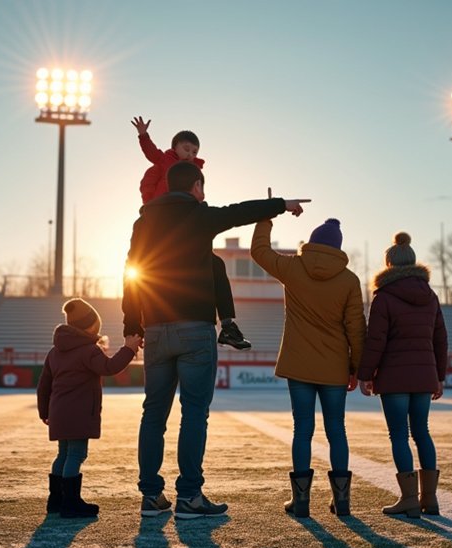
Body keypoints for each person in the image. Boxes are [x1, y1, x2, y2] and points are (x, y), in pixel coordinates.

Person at [123, 161, 309, 520]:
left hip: (157, 327)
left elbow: (132, 272)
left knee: (153, 415)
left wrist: (133, 322)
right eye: (202, 187)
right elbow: (239, 212)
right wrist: (281, 205)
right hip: (194, 328)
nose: (203, 194)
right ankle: (190, 497)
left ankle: (150, 497)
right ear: (195, 186)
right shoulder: (198, 215)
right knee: (194, 414)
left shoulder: (143, 223)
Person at [250, 214, 366, 518]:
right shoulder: (349, 280)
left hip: (299, 364)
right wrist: (356, 367)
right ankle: (342, 502)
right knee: (336, 430)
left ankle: (300, 503)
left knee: (302, 430)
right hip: (335, 367)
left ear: (312, 242)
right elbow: (356, 328)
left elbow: (259, 252)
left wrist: (266, 219)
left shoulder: (293, 267)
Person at [131, 116, 251, 351]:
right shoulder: (164, 162)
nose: (190, 154)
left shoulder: (194, 173)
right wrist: (143, 135)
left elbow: (203, 201)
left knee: (215, 264)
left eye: (194, 151)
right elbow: (151, 154)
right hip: (159, 222)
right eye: (186, 149)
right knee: (145, 271)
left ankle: (227, 325)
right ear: (174, 148)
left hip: (183, 225)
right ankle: (145, 324)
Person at [356, 232, 447, 517]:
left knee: (399, 435)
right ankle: (429, 500)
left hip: (394, 378)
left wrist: (365, 374)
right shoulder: (430, 296)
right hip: (423, 377)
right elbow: (440, 338)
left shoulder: (384, 297)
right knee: (422, 433)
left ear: (389, 264)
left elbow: (376, 340)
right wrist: (439, 377)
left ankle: (409, 499)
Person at [37, 298, 143, 518]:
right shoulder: (88, 350)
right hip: (79, 413)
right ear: (91, 326)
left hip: (59, 412)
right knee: (76, 455)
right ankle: (71, 503)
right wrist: (129, 349)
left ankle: (56, 500)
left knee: (63, 454)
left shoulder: (54, 352)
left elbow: (43, 385)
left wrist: (44, 412)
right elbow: (109, 367)